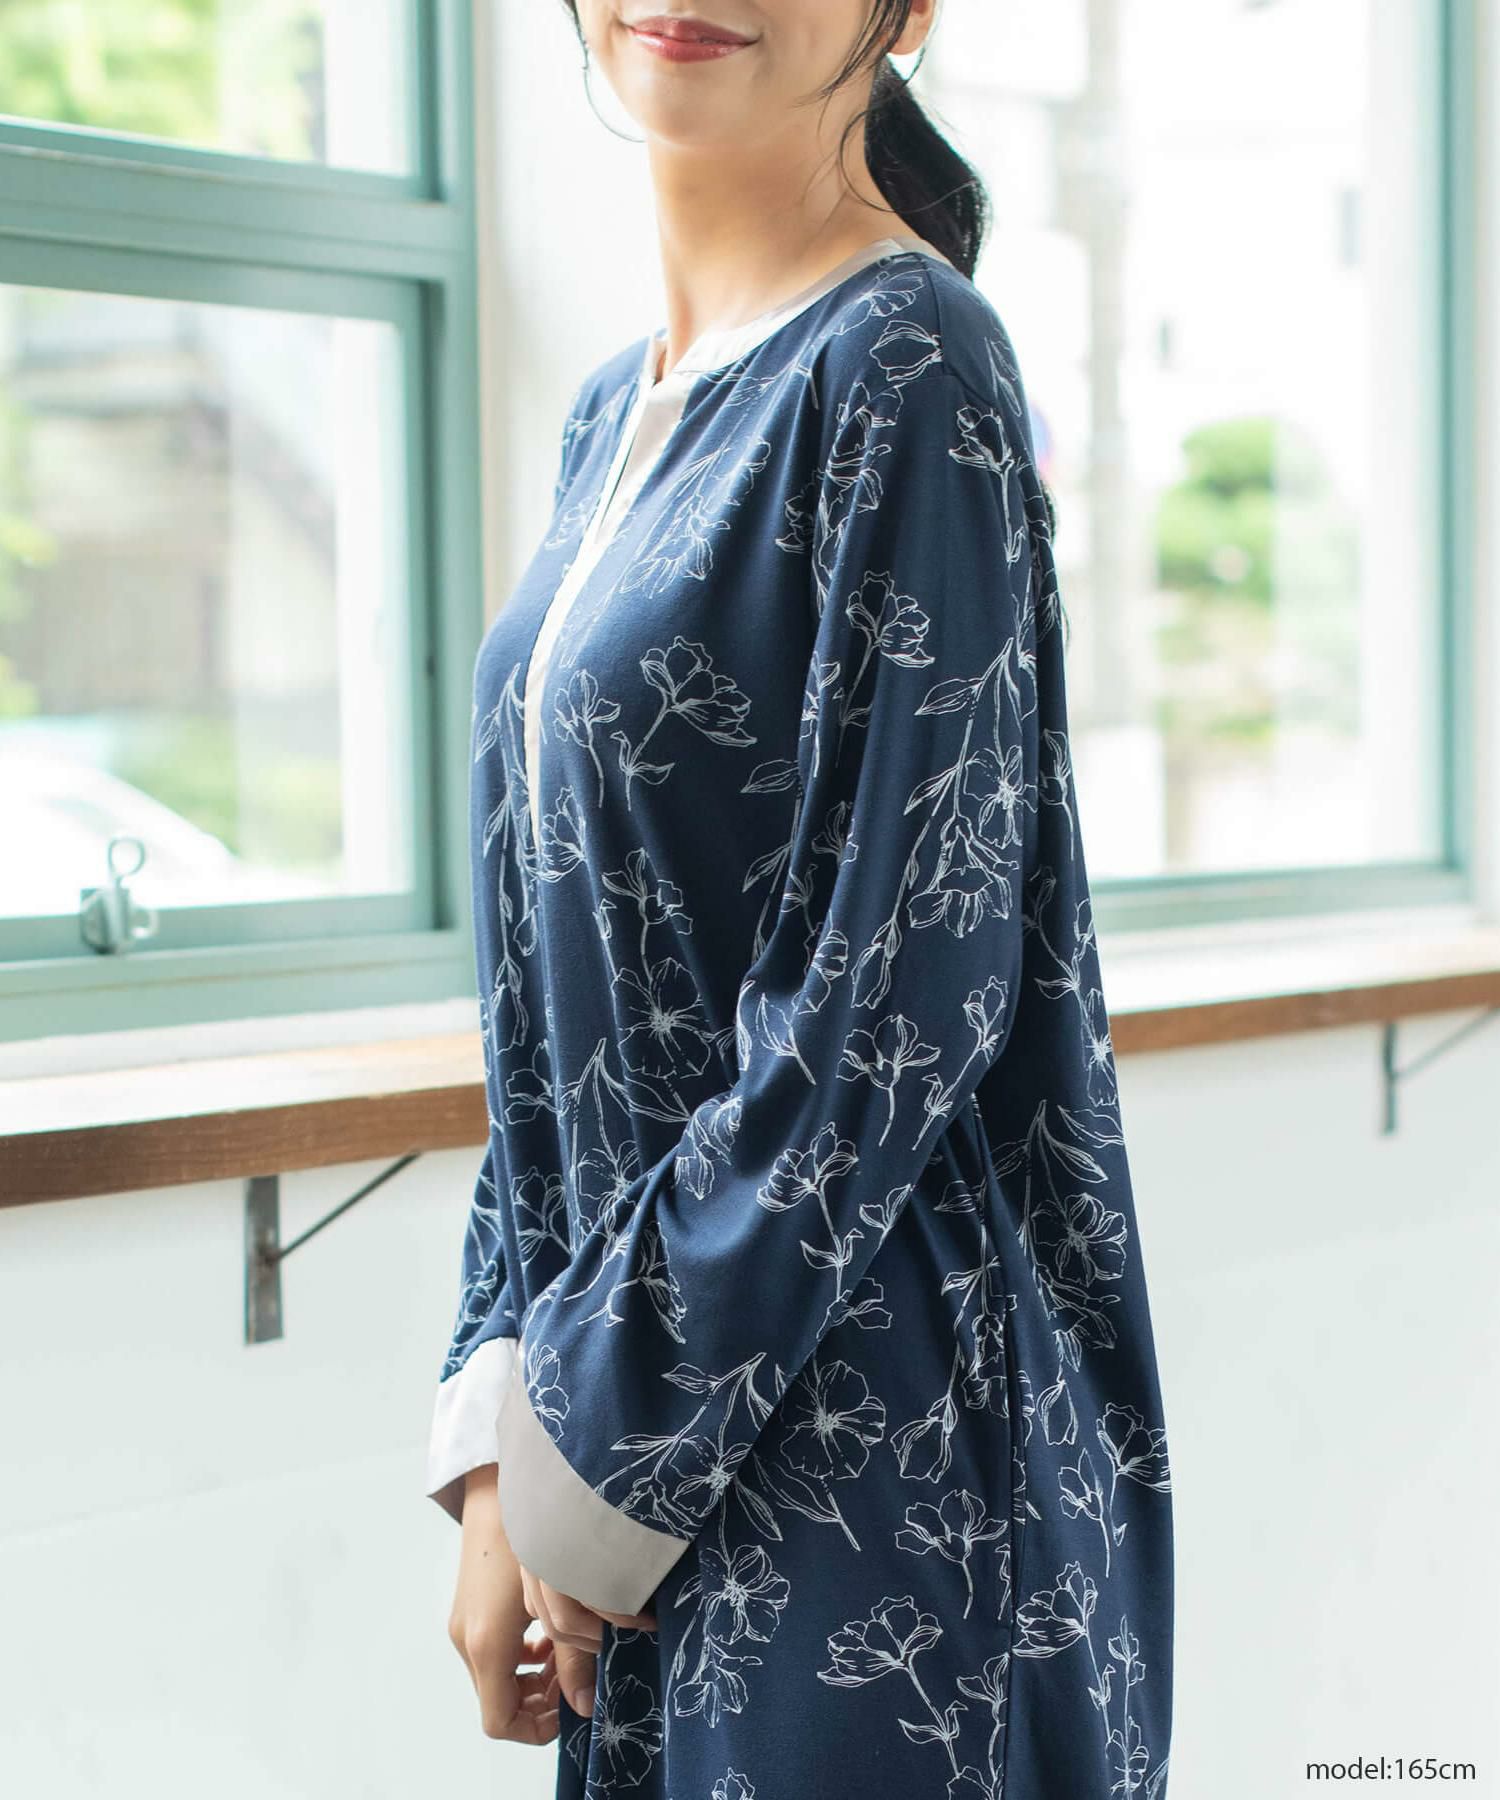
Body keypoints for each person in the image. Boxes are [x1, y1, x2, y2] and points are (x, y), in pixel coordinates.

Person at [427, 4, 1175, 1795]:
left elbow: (892, 1008)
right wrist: (498, 1435)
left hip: (876, 1483)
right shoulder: (612, 413)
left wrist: (587, 1446)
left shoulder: (912, 360)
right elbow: (553, 999)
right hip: (644, 1456)